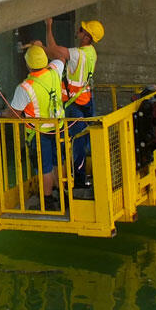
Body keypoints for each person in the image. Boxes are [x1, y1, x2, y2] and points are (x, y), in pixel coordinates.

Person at [1, 43, 65, 209]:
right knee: (58, 162)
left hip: (39, 133)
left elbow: (13, 114)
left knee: (44, 167)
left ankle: (48, 200)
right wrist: (42, 47)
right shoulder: (55, 71)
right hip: (59, 128)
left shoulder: (25, 87)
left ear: (28, 64)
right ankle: (62, 192)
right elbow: (60, 57)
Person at [44, 17, 103, 189]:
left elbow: (52, 51)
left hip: (74, 105)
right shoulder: (91, 52)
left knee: (73, 143)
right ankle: (77, 176)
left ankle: (77, 181)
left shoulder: (78, 54)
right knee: (81, 142)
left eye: (81, 29)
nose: (78, 31)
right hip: (86, 103)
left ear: (86, 37)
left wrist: (48, 27)